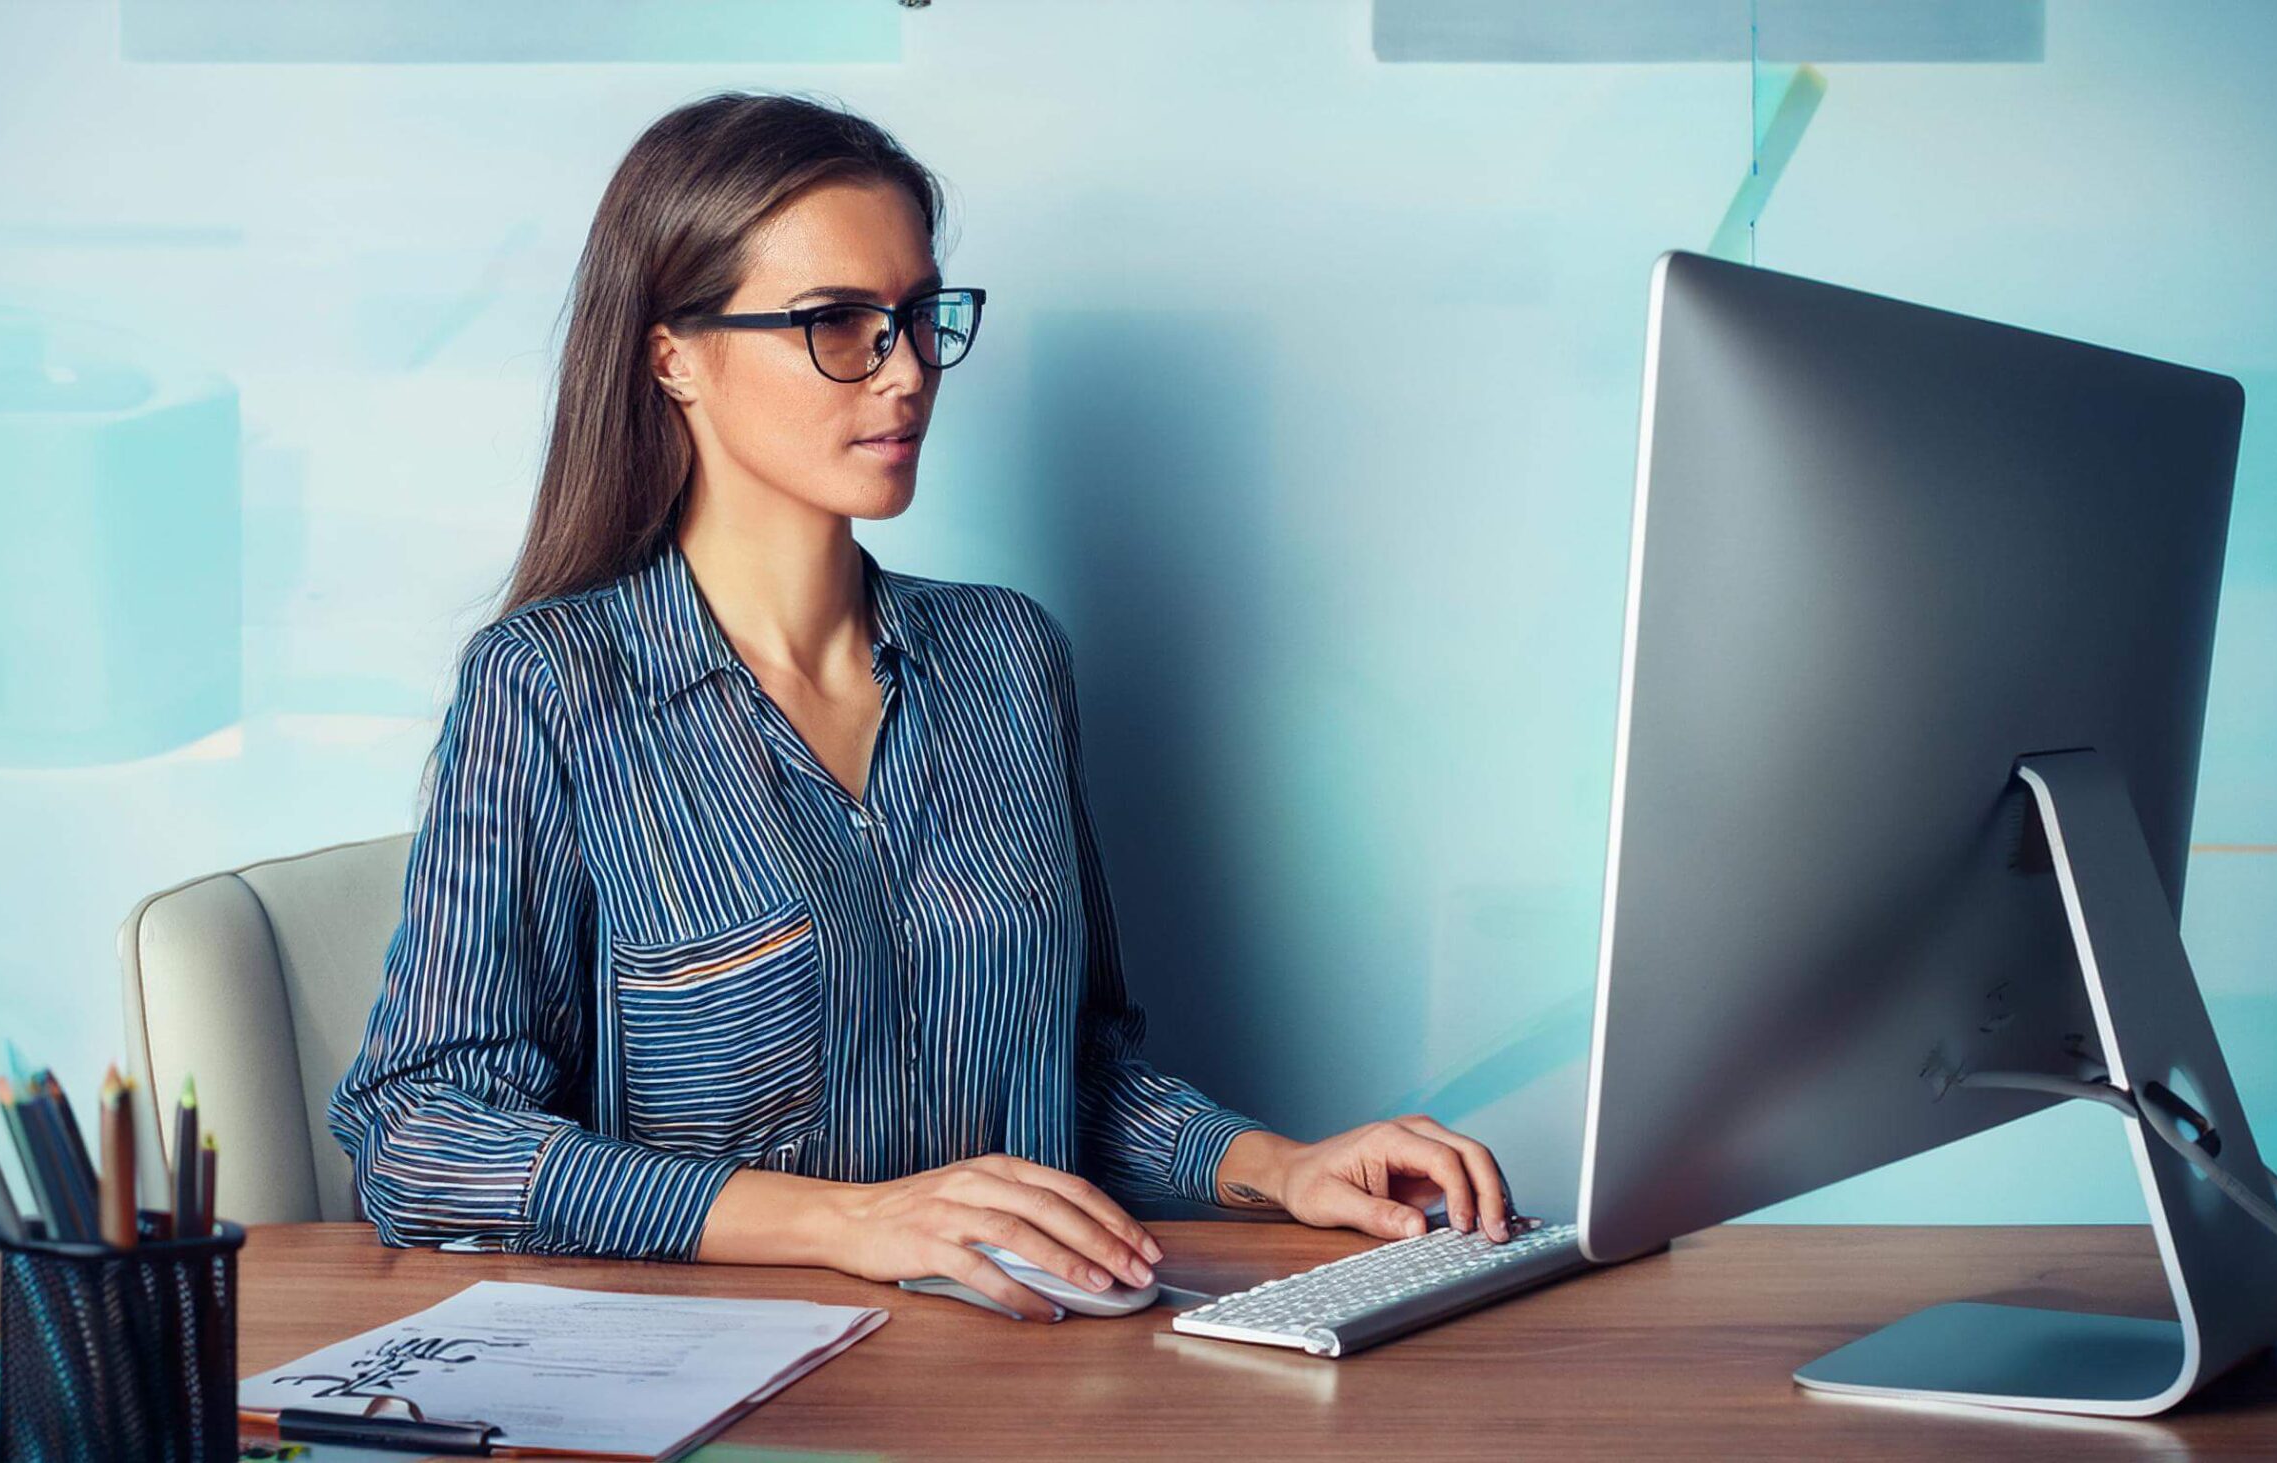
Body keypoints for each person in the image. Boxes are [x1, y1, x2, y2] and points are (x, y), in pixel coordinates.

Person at [327, 90, 1515, 1323]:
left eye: (916, 317)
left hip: (1036, 1362)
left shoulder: (1006, 660)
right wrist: (845, 1223)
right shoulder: (553, 685)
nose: (904, 374)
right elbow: (421, 1135)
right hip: (723, 1382)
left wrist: (1277, 1167)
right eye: (837, 322)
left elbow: (1078, 1077)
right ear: (671, 354)